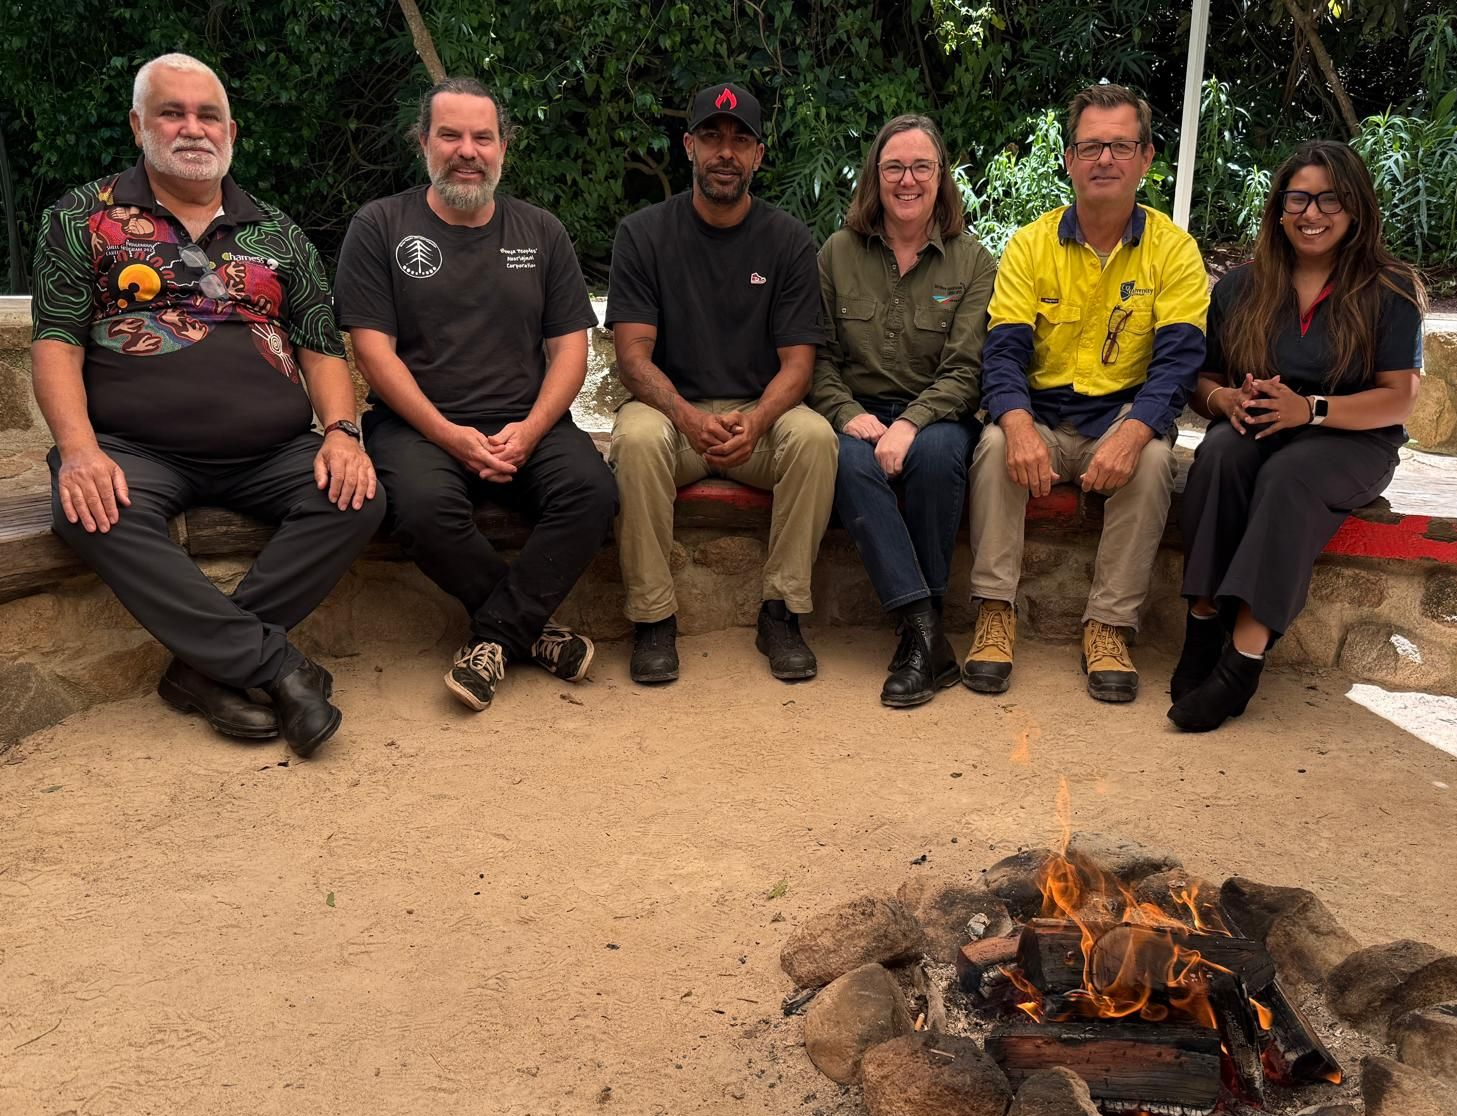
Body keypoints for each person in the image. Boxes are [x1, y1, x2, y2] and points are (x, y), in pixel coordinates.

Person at [30, 53, 381, 758]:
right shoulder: (82, 218)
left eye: (207, 114)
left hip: (272, 453)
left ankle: (202, 669)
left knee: (358, 496)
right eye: (172, 112)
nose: (192, 128)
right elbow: (57, 344)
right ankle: (278, 667)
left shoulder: (278, 234)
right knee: (89, 507)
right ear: (138, 125)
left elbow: (319, 348)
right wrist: (78, 450)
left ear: (232, 131)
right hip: (138, 450)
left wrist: (342, 432)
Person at [335, 77, 616, 713]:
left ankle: (496, 635)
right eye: (451, 135)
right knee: (422, 508)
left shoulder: (541, 231)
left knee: (594, 492)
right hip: (416, 427)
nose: (468, 150)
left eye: (482, 137)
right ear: (423, 143)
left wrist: (534, 427)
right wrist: (448, 435)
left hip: (529, 422)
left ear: (503, 148)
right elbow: (372, 353)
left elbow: (571, 350)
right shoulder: (379, 226)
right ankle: (532, 632)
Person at [965, 83, 1208, 703]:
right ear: (1069, 159)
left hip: (1120, 415)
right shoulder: (1031, 245)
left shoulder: (1173, 252)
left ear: (1147, 158)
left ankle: (1107, 625)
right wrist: (1016, 422)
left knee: (1153, 460)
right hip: (1043, 416)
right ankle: (994, 613)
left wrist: (1133, 432)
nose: (1105, 160)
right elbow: (1004, 352)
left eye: (1120, 146)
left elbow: (1178, 363)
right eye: (1091, 147)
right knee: (993, 447)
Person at [1169, 141, 1424, 731]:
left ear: (1356, 208)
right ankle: (1202, 625)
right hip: (1257, 426)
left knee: (1289, 475)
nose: (1313, 213)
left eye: (1330, 199)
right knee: (1219, 456)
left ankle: (1243, 658)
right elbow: (1202, 380)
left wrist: (1308, 409)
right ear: (1279, 209)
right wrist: (1224, 399)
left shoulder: (1389, 290)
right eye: (1299, 198)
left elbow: (1398, 397)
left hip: (1351, 438)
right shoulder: (1240, 287)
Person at [607, 82, 837, 684]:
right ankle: (654, 620)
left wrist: (757, 420)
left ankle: (781, 612)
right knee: (632, 439)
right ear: (688, 146)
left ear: (759, 156)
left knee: (814, 438)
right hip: (672, 420)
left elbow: (799, 365)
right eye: (712, 137)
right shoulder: (643, 233)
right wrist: (687, 417)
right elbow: (632, 357)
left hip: (756, 421)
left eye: (741, 140)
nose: (725, 152)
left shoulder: (788, 239)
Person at [811, 114, 996, 707]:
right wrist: (846, 414)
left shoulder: (973, 262)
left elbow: (967, 371)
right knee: (845, 462)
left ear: (941, 177)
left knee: (940, 457)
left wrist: (912, 422)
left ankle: (921, 632)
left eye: (922, 166)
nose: (908, 179)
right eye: (894, 166)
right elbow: (815, 358)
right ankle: (925, 632)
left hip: (938, 414)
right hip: (857, 411)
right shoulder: (837, 254)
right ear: (876, 176)